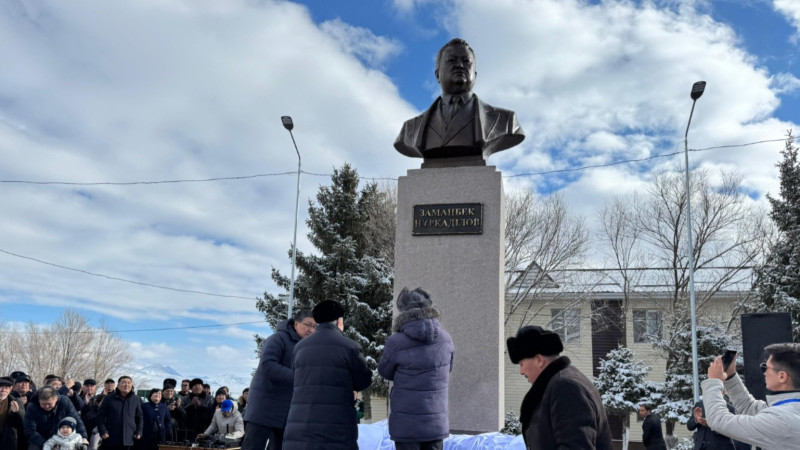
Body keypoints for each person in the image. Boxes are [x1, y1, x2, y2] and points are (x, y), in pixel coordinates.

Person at [394, 38, 524, 165]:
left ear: (475, 74)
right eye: (452, 60)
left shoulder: (505, 121)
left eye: (466, 61)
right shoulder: (410, 129)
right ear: (437, 74)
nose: (460, 65)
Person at [282, 300, 373, 450]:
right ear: (339, 321)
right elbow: (363, 381)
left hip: (299, 429)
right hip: (335, 431)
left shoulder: (299, 347)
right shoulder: (349, 346)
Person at [506, 326, 612, 449]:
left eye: (522, 364)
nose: (521, 371)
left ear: (539, 360)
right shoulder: (560, 382)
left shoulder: (565, 387)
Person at [378, 287, 455, 450]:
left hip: (406, 424)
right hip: (436, 421)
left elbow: (385, 371)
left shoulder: (395, 342)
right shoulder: (446, 339)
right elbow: (448, 368)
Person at [241, 309, 315, 450]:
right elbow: (268, 365)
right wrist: (298, 377)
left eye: (315, 326)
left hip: (288, 411)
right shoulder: (278, 339)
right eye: (308, 325)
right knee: (253, 446)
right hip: (264, 408)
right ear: (296, 323)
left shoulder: (308, 347)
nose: (311, 330)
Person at [701, 344, 800, 448]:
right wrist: (730, 377)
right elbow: (748, 407)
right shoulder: (789, 412)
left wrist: (713, 381)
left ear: (782, 376)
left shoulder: (782, 421)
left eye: (765, 367)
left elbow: (719, 420)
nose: (764, 373)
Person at [24, 386, 89, 450]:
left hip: (62, 437)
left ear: (56, 398)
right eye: (43, 404)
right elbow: (30, 430)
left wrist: (83, 437)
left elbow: (76, 420)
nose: (47, 406)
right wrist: (47, 444)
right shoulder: (32, 407)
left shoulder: (65, 402)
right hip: (39, 438)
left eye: (49, 404)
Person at [96, 375, 143, 450]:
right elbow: (100, 416)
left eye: (129, 383)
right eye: (124, 382)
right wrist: (103, 430)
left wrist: (139, 431)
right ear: (118, 385)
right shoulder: (109, 398)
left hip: (130, 438)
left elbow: (140, 417)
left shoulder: (136, 399)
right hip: (111, 437)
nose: (127, 385)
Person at [0, 376, 25, 450]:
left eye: (7, 387)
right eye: (1, 387)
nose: (3, 390)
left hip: (7, 441)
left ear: (11, 389)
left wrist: (16, 412)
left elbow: (23, 422)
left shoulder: (16, 401)